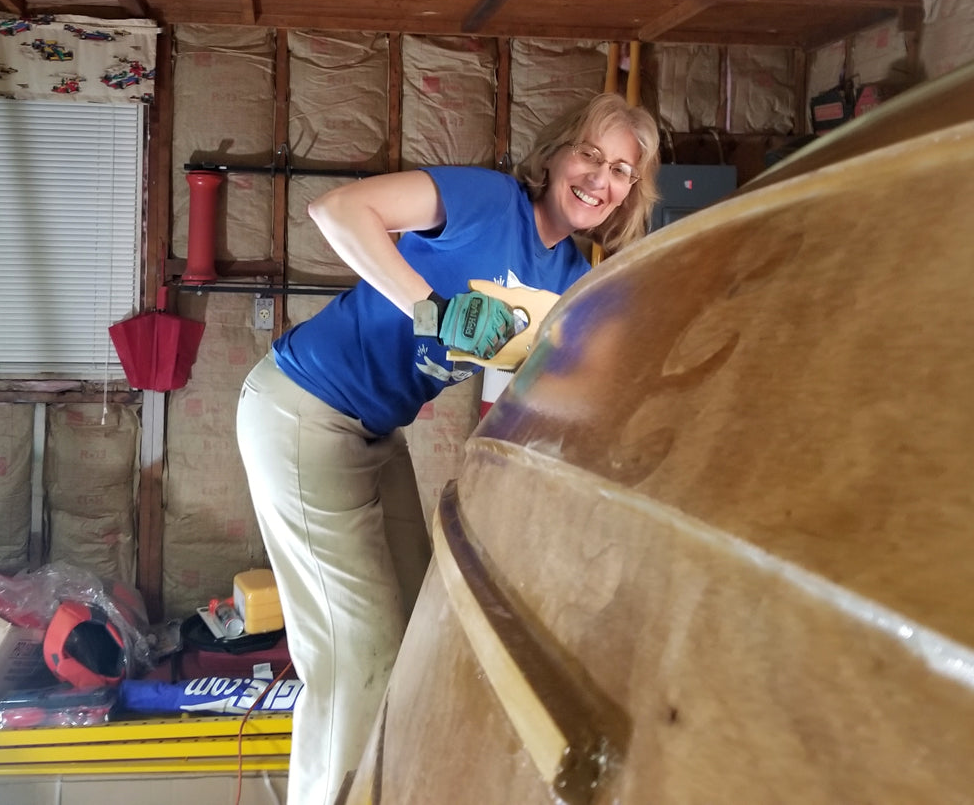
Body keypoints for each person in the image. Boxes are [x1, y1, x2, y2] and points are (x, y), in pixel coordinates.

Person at [235, 91, 660, 805]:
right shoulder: (487, 200)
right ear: (556, 154)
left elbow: (583, 391)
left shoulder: (572, 286)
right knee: (356, 655)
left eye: (622, 169)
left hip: (373, 432)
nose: (600, 178)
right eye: (590, 154)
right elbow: (338, 211)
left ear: (629, 193)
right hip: (301, 407)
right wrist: (434, 310)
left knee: (419, 637)